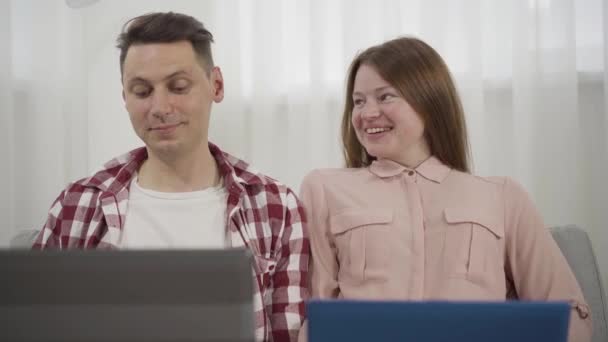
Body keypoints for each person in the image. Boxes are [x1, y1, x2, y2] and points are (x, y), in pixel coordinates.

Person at [33, 12, 309, 342]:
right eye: (141, 91)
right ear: (124, 97)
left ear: (216, 85)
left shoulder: (276, 206)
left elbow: (287, 335)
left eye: (178, 87)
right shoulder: (77, 204)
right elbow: (35, 325)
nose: (160, 106)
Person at [299, 37, 591, 342]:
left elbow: (571, 312)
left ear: (429, 100)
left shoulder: (502, 196)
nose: (367, 113)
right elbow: (311, 315)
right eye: (358, 101)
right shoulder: (323, 188)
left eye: (385, 97)